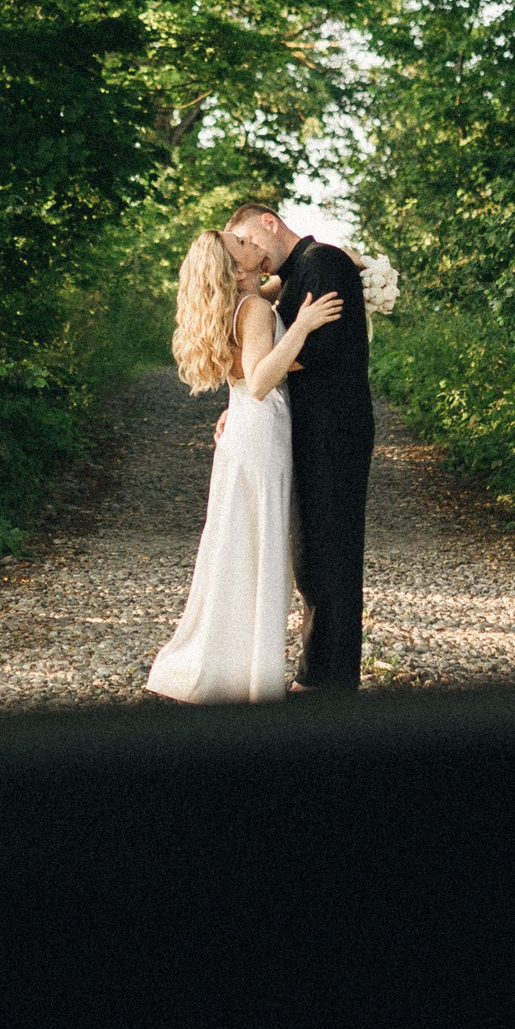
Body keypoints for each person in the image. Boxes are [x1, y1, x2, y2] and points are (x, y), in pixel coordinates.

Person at [146, 231, 344, 704]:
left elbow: (275, 292)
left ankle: (225, 668)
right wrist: (303, 325)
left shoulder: (245, 300)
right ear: (237, 270)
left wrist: (352, 264)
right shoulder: (252, 308)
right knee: (259, 550)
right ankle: (249, 677)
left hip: (243, 432)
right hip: (259, 435)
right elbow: (257, 381)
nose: (251, 240)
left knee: (237, 548)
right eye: (240, 242)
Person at [222, 202, 373, 691]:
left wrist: (255, 374)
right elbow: (257, 332)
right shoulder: (293, 277)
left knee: (330, 553)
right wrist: (242, 393)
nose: (250, 254)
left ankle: (328, 681)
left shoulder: (321, 261)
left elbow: (321, 349)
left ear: (270, 222)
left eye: (249, 240)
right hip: (306, 427)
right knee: (311, 554)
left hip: (334, 428)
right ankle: (322, 673)